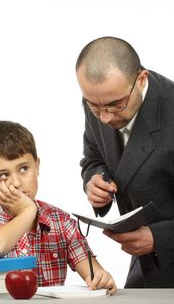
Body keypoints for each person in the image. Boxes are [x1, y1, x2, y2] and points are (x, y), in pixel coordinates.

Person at [0, 120, 116, 293]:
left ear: (37, 166)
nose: (16, 183)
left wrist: (102, 280)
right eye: (3, 175)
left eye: (23, 169)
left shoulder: (62, 222)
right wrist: (28, 211)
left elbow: (95, 273)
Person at [75, 36, 174, 288]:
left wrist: (159, 238)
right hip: (146, 265)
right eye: (94, 107)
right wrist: (94, 180)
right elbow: (93, 157)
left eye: (115, 106)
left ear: (142, 80)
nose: (105, 118)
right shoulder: (100, 99)